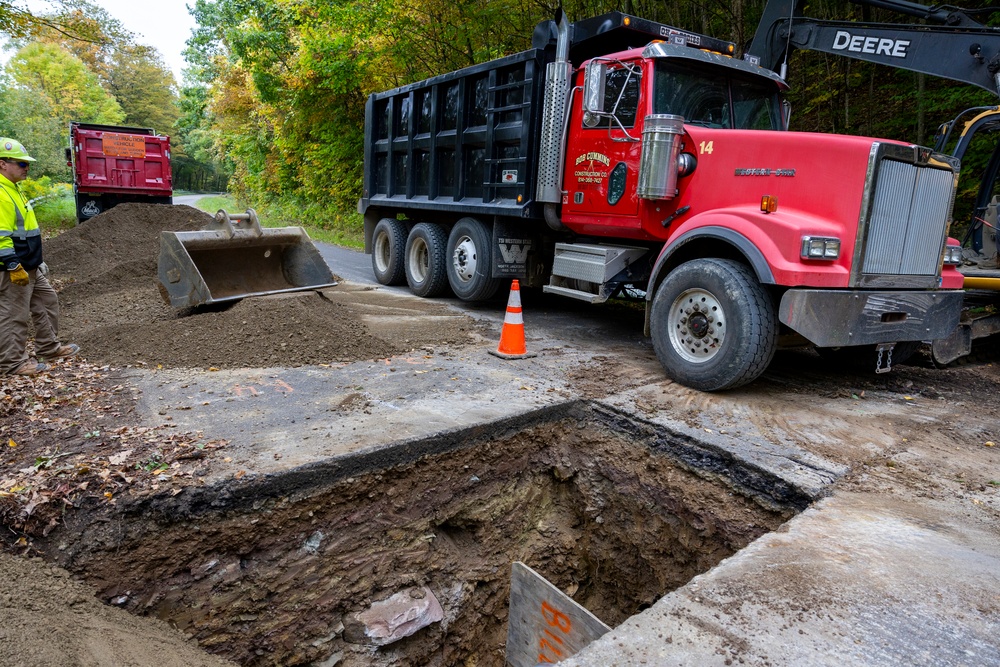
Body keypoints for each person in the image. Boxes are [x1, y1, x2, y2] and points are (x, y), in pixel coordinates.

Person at [0, 137, 79, 376]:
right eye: (21, 164)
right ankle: (12, 363)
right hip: (13, 267)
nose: (27, 168)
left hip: (30, 264)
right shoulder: (2, 193)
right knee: (15, 314)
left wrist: (36, 259)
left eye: (26, 164)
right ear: (3, 164)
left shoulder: (14, 189)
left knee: (47, 301)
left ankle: (48, 346)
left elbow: (25, 231)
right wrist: (13, 264)